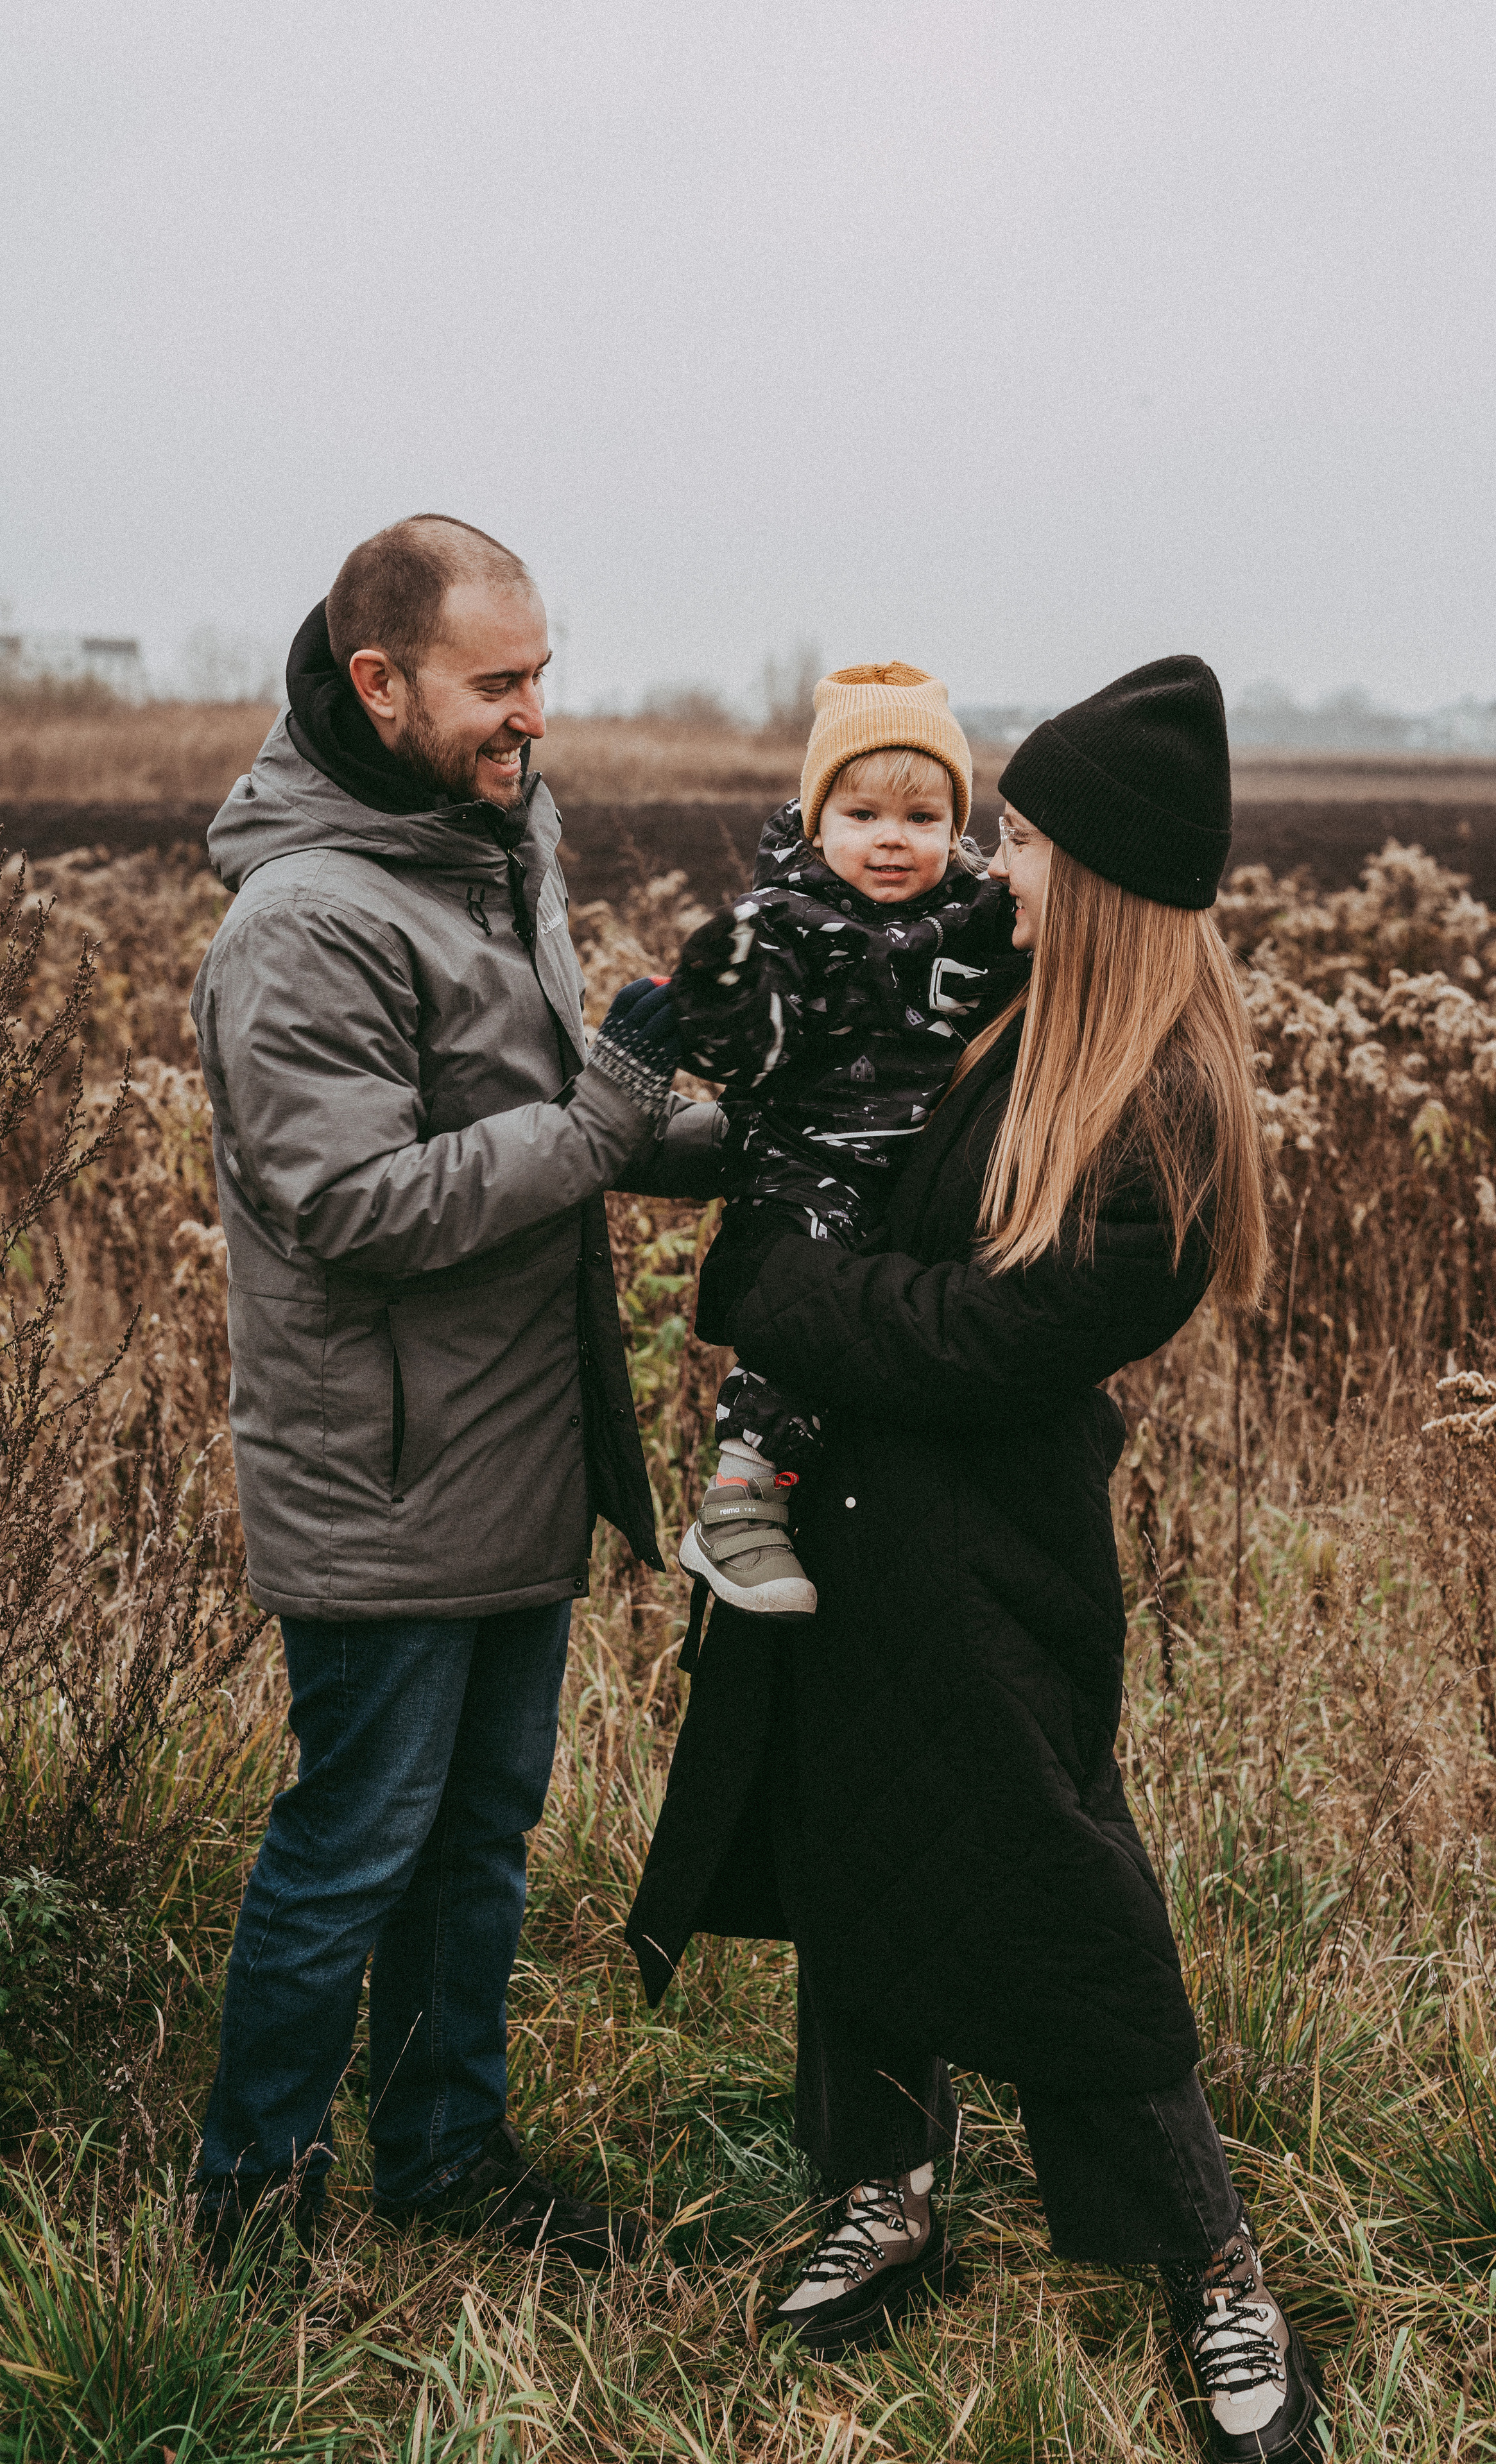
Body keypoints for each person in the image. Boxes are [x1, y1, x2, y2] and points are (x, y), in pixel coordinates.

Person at [627, 658, 1323, 2461]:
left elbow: (982, 1335)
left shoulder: (1158, 1102)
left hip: (990, 1546)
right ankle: (887, 2183)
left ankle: (1208, 2263)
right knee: (851, 1833)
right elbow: (819, 1095)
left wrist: (767, 1284)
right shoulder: (988, 1000)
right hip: (852, 1512)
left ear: (1095, 878)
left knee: (1050, 1874)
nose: (992, 863)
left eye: (1024, 838)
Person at [189, 514, 691, 2282]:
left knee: (480, 1836)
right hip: (386, 1471)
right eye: (500, 683)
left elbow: (556, 1096)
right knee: (355, 1846)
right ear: (379, 682)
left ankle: (445, 2159)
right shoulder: (308, 921)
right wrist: (613, 1126)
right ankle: (249, 2210)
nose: (535, 715)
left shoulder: (489, 846)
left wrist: (742, 1132)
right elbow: (356, 1206)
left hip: (512, 1454)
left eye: (544, 675)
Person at [671, 662, 1024, 1616]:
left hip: (922, 1159)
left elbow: (1046, 955)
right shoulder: (790, 923)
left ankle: (852, 1502)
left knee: (914, 1315)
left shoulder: (976, 914)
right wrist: (726, 1001)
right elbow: (754, 1042)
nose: (891, 842)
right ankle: (739, 1500)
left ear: (957, 830)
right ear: (817, 820)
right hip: (810, 1158)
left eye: (920, 820)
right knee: (804, 1301)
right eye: (862, 815)